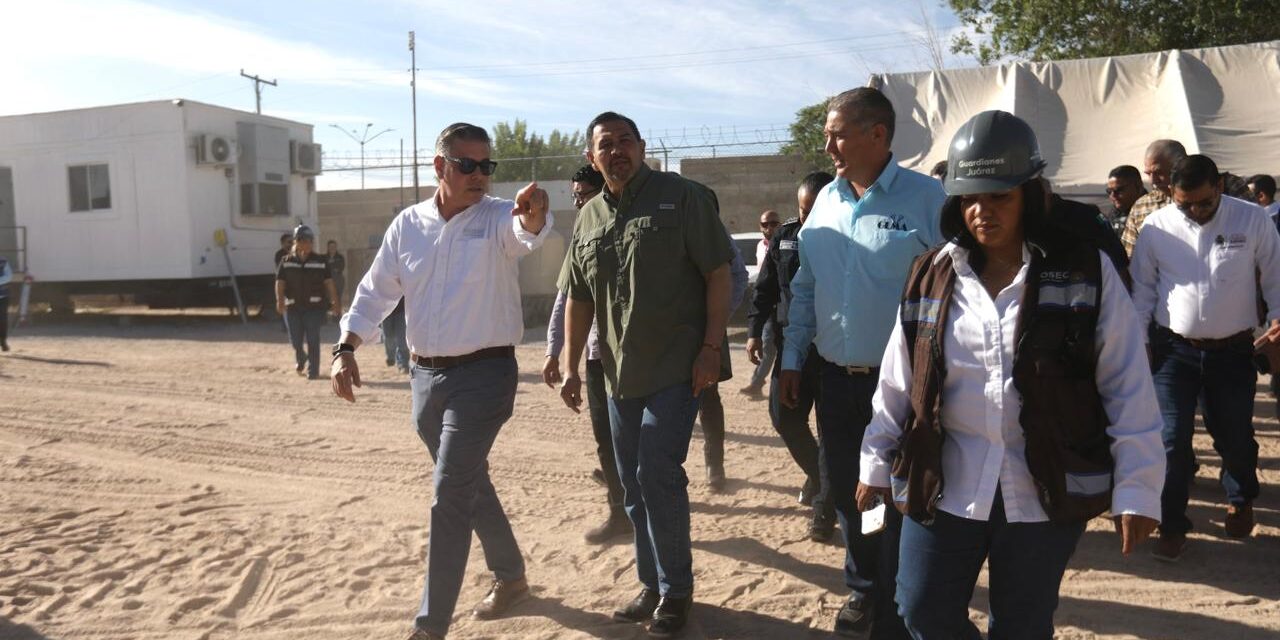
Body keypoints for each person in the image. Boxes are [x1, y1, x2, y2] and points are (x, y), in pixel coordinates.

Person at [856, 109, 1165, 640]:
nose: (982, 211)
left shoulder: (1086, 272)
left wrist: (1138, 488)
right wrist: (875, 459)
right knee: (919, 607)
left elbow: (1126, 383)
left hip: (1043, 486)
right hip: (945, 480)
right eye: (971, 197)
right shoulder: (932, 274)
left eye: (999, 196)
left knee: (1021, 625)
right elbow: (899, 377)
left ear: (1029, 193)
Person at [332, 122, 553, 640]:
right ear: (440, 166)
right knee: (469, 483)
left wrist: (536, 218)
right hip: (426, 379)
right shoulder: (408, 225)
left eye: (486, 166)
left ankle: (429, 628)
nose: (479, 175)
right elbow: (375, 290)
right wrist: (346, 346)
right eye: (468, 164)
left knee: (449, 491)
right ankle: (513, 577)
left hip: (484, 376)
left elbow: (527, 234)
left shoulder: (500, 217)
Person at [559, 111, 733, 637]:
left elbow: (718, 273)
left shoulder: (683, 197)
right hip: (617, 374)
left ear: (642, 146)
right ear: (592, 157)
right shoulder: (587, 218)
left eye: (625, 141)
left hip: (677, 367)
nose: (617, 151)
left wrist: (709, 348)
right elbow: (579, 298)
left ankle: (677, 590)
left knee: (657, 472)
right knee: (631, 484)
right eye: (605, 145)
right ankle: (652, 584)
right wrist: (570, 365)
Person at [780, 87, 945, 639]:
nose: (828, 145)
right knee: (853, 490)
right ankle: (865, 586)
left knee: (903, 492)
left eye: (838, 133)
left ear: (878, 134)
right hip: (836, 381)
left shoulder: (928, 199)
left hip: (903, 385)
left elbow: (957, 291)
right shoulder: (826, 200)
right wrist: (792, 357)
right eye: (827, 134)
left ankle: (901, 592)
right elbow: (805, 286)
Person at [1130, 154, 1280, 561]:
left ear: (1218, 187)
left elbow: (1275, 274)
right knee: (1170, 441)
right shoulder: (1157, 227)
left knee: (1233, 436)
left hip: (1233, 351)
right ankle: (1172, 522)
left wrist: (1278, 320)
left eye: (1203, 203)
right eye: (1185, 204)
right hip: (1173, 351)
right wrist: (1139, 342)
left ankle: (1241, 495)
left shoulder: (1252, 220)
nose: (1195, 211)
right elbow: (1143, 289)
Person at [544, 164, 632, 544]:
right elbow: (566, 299)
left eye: (585, 195)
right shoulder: (582, 236)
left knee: (637, 440)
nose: (580, 202)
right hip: (598, 357)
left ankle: (645, 508)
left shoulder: (629, 227)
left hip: (634, 354)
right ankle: (620, 512)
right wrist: (556, 354)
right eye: (576, 196)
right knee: (606, 439)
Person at [747, 170, 837, 541]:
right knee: (784, 418)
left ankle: (824, 510)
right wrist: (754, 332)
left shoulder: (845, 239)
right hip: (790, 347)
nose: (806, 221)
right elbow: (766, 288)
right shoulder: (785, 237)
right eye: (802, 212)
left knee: (832, 432)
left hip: (833, 349)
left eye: (814, 212)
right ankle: (819, 477)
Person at [276, 224, 339, 380]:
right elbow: (280, 282)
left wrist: (335, 301)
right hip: (293, 307)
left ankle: (313, 370)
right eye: (305, 240)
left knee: (313, 338)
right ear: (297, 241)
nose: (309, 244)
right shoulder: (286, 261)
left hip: (315, 308)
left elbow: (329, 283)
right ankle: (301, 357)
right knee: (295, 340)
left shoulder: (320, 261)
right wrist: (280, 300)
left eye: (311, 241)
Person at [740, 209, 782, 397]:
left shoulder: (785, 244)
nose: (769, 228)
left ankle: (758, 383)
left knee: (770, 347)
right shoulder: (760, 246)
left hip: (781, 305)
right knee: (768, 346)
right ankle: (758, 383)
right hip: (765, 304)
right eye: (765, 224)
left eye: (773, 223)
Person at [1120, 139, 1186, 255]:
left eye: (1159, 172)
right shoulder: (1141, 207)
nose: (1152, 181)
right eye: (1148, 174)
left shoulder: (1211, 200)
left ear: (1182, 166)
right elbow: (1129, 257)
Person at [1105, 164, 1146, 234]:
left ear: (1138, 186)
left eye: (1118, 190)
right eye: (1109, 191)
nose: (1113, 195)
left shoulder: (1151, 210)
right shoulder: (1115, 212)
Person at [382, 297, 409, 373]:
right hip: (386, 311)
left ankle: (403, 363)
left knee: (402, 338)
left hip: (401, 310)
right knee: (388, 337)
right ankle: (390, 356)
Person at [326, 239, 347, 308]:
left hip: (338, 280)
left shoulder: (340, 257)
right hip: (328, 280)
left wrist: (331, 266)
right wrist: (333, 266)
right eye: (330, 246)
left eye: (334, 246)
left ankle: (338, 314)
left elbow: (341, 267)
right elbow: (325, 268)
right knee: (328, 297)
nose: (332, 248)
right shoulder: (324, 258)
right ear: (328, 248)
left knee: (337, 297)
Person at [0, 254, 11, 352]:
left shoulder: (3, 261)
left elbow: (8, 276)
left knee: (3, 320)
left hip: (2, 296)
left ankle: (3, 341)